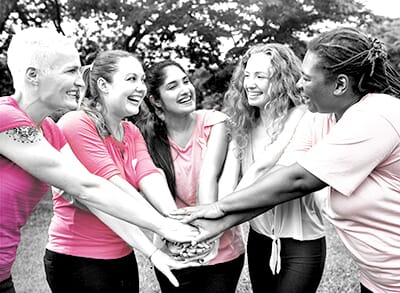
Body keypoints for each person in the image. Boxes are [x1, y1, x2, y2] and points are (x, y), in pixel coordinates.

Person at [172, 27, 400, 293]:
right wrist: (216, 224)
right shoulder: (320, 119)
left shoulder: (377, 114)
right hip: (378, 280)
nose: (299, 85)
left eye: (306, 78)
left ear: (340, 85)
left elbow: (298, 180)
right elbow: (279, 182)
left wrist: (221, 206)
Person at [0, 27, 197, 293]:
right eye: (70, 71)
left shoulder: (49, 130)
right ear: (33, 75)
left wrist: (152, 250)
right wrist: (162, 225)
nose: (81, 81)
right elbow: (88, 188)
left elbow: (91, 191)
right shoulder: (6, 117)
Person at [44, 50, 201, 292]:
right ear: (103, 85)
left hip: (122, 253)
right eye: (131, 79)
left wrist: (174, 218)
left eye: (141, 79)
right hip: (79, 259)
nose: (141, 88)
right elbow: (111, 186)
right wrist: (164, 227)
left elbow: (149, 176)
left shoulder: (130, 131)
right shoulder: (77, 123)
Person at [219, 43, 325, 293]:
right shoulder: (243, 125)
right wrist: (217, 212)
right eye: (246, 75)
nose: (249, 83)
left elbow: (262, 168)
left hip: (302, 243)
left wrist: (217, 216)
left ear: (282, 80)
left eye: (260, 76)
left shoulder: (302, 116)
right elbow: (229, 179)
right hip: (260, 240)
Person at [136, 60, 245, 293]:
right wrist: (182, 238)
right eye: (173, 86)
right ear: (156, 100)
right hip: (174, 250)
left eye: (186, 81)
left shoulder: (214, 122)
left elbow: (209, 176)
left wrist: (203, 235)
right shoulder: (147, 138)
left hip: (220, 247)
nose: (185, 89)